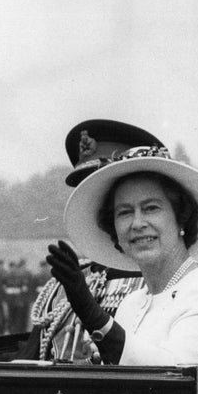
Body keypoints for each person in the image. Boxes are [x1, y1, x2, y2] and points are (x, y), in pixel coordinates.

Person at [47, 144, 198, 365]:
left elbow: (174, 379)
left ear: (181, 218)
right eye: (125, 212)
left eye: (151, 208)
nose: (137, 223)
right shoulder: (131, 304)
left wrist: (93, 314)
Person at [17, 119, 165, 361]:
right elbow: (32, 360)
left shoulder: (157, 281)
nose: (89, 202)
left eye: (99, 188)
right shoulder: (62, 286)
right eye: (83, 189)